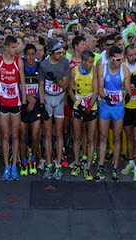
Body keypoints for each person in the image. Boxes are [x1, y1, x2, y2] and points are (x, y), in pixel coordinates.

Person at [0, 35, 26, 180]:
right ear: (6, 48)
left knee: (15, 134)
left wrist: (23, 102)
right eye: (12, 47)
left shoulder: (19, 61)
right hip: (3, 102)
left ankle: (14, 165)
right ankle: (6, 166)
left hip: (16, 103)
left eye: (16, 47)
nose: (15, 50)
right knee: (5, 135)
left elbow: (22, 83)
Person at [96, 45, 131, 182]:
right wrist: (105, 97)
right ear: (110, 58)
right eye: (116, 60)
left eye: (121, 59)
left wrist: (126, 96)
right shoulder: (102, 69)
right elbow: (99, 88)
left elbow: (127, 90)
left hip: (118, 107)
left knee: (117, 137)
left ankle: (115, 167)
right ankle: (101, 166)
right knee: (103, 136)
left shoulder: (125, 70)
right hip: (106, 105)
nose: (119, 62)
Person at [38, 38, 70, 180]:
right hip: (48, 99)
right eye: (58, 52)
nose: (61, 54)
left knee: (59, 133)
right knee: (48, 133)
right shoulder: (44, 65)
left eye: (62, 52)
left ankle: (58, 164)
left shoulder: (65, 63)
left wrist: (56, 80)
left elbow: (65, 85)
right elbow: (40, 85)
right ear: (51, 53)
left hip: (59, 100)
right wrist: (41, 104)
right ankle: (49, 162)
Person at [68, 50, 98, 181]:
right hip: (78, 104)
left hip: (91, 105)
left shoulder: (94, 70)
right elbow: (70, 90)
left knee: (91, 138)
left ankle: (88, 167)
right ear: (83, 61)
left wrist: (90, 105)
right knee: (77, 136)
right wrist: (77, 103)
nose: (91, 64)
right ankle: (77, 163)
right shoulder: (74, 70)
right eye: (89, 62)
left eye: (92, 62)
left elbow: (96, 90)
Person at [122, 45, 136, 181]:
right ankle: (131, 162)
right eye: (130, 55)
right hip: (126, 106)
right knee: (129, 136)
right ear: (126, 55)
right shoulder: (123, 66)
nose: (133, 57)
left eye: (134, 54)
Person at [20, 44, 42, 175]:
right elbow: (17, 84)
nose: (31, 57)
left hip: (35, 105)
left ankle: (33, 159)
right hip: (23, 104)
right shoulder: (21, 66)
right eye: (28, 54)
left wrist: (35, 98)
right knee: (22, 136)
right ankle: (23, 161)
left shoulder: (40, 67)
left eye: (33, 54)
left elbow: (41, 85)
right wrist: (27, 97)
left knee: (34, 136)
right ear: (24, 55)